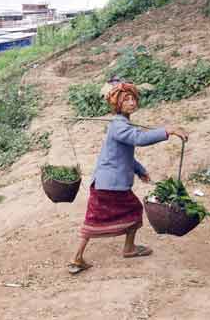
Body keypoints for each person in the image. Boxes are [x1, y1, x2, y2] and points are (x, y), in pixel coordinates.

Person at [68, 82, 189, 274]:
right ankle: (125, 249)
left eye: (133, 99)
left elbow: (122, 155)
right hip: (110, 185)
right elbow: (138, 139)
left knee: (96, 218)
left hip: (105, 183)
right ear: (117, 104)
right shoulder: (118, 126)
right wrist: (167, 131)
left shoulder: (121, 124)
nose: (131, 103)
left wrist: (139, 170)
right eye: (126, 100)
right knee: (131, 211)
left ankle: (80, 257)